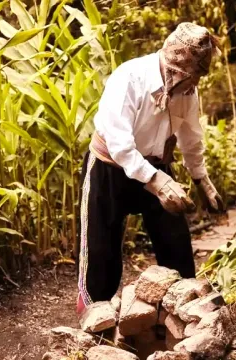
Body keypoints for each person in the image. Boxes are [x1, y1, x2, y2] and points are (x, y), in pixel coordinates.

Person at [77, 22, 224, 316]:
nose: (194, 86)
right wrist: (156, 182)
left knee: (176, 243)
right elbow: (119, 145)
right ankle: (96, 322)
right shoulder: (129, 78)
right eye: (192, 78)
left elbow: (191, 138)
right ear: (175, 70)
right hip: (109, 168)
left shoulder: (187, 93)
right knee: (100, 253)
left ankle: (183, 313)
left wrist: (201, 179)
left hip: (156, 166)